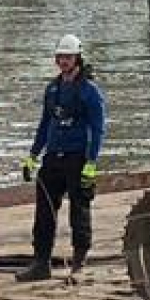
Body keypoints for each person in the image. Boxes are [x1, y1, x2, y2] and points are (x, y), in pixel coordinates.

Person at [17, 33, 107, 281]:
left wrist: (91, 162)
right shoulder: (52, 89)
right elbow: (45, 124)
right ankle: (41, 263)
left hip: (77, 157)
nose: (63, 62)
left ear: (77, 58)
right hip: (53, 158)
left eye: (67, 57)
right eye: (60, 57)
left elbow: (98, 129)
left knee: (79, 209)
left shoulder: (90, 92)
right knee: (44, 211)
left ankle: (78, 264)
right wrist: (33, 155)